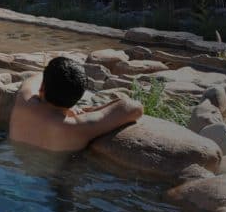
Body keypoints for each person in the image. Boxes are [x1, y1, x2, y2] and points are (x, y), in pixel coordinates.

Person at [9, 56, 143, 152]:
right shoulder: (77, 126)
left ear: (42, 88)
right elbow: (134, 108)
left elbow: (35, 78)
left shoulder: (24, 102)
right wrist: (94, 110)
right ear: (78, 96)